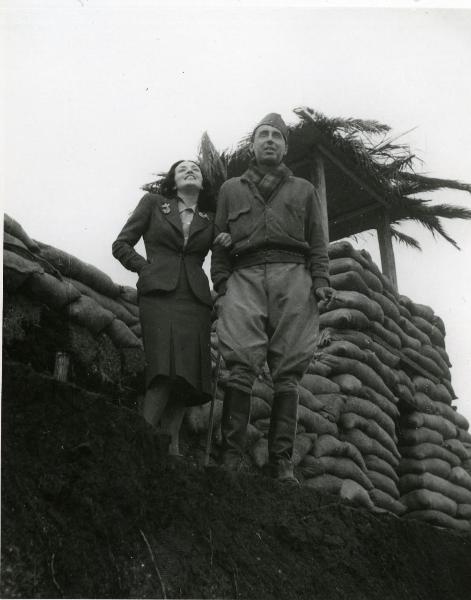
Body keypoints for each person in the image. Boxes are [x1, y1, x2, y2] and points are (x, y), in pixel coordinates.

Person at [211, 113, 334, 483]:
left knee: (289, 369)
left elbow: (317, 241)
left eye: (276, 136)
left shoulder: (304, 190)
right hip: (244, 276)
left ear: (284, 147)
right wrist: (220, 285)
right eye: (262, 135)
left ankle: (282, 462)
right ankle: (230, 456)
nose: (269, 140)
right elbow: (218, 241)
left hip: (293, 276)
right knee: (240, 362)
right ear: (252, 145)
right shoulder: (231, 189)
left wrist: (321, 280)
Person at [112, 160, 231, 458]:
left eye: (196, 169)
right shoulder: (154, 204)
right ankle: (140, 440)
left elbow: (222, 258)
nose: (190, 171)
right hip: (158, 296)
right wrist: (146, 269)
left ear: (202, 183)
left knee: (188, 376)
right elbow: (121, 244)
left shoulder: (212, 219)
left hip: (195, 300)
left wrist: (228, 241)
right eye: (182, 169)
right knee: (162, 368)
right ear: (172, 182)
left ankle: (171, 445)